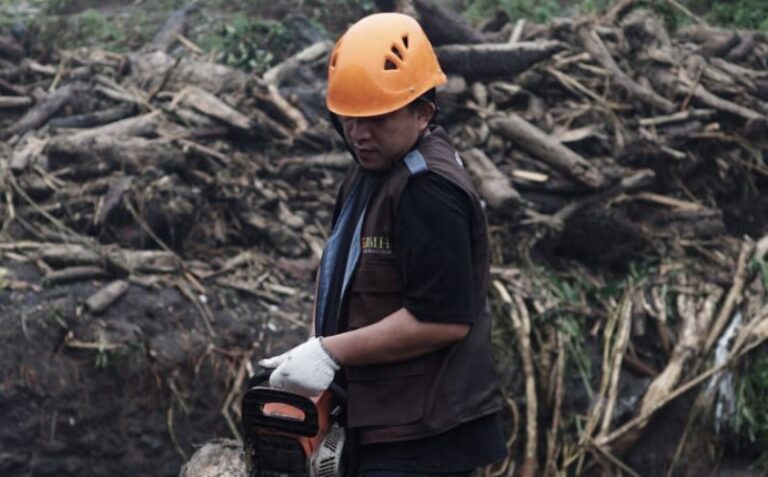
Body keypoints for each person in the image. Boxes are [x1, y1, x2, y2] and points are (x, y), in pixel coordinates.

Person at [258, 12, 507, 477]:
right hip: (383, 420)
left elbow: (443, 319)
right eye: (349, 118)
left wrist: (331, 353)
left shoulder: (427, 190)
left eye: (377, 119)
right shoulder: (371, 168)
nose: (359, 134)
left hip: (424, 437)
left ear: (422, 112)